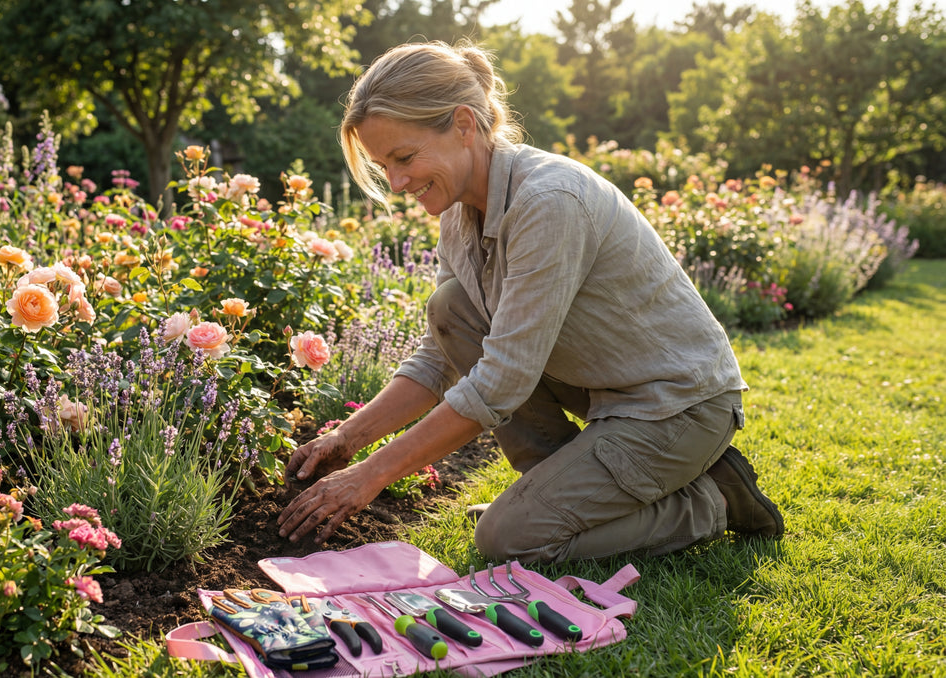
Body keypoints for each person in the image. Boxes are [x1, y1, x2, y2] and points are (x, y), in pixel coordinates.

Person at [277, 40, 784, 564]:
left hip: (675, 407)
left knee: (509, 539)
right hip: (603, 387)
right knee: (451, 307)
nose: (399, 183)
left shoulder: (548, 201)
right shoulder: (457, 210)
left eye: (405, 158)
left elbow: (501, 382)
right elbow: (438, 358)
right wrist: (345, 441)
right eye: (386, 167)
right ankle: (557, 491)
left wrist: (372, 475)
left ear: (464, 124)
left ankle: (712, 501)